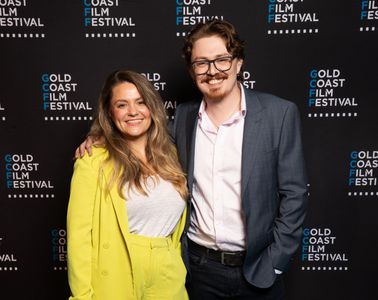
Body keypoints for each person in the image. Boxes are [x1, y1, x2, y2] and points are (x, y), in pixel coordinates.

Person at [77, 20, 308, 300]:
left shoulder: (278, 114)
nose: (212, 71)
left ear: (238, 63)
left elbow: (295, 194)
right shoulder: (182, 120)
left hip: (258, 268)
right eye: (201, 63)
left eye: (222, 60)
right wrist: (99, 137)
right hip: (199, 270)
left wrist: (275, 262)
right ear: (192, 70)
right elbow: (135, 132)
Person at [67, 70, 189, 300]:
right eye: (122, 105)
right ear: (110, 113)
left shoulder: (173, 154)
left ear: (151, 107)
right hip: (117, 269)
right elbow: (78, 237)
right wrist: (81, 296)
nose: (133, 112)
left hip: (168, 269)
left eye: (141, 102)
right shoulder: (93, 161)